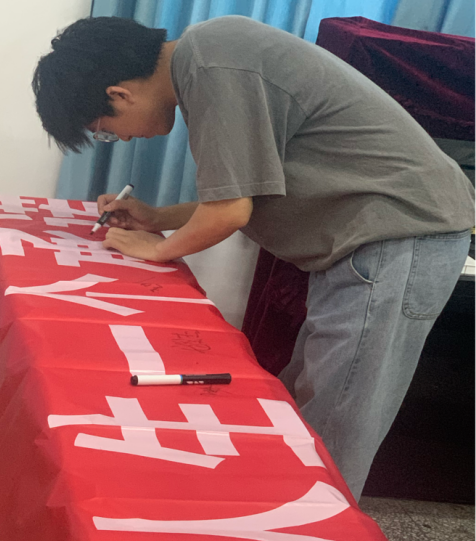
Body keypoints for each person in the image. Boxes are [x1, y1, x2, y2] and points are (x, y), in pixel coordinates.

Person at [32, 15, 476, 500]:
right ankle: (288, 515)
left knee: (337, 421)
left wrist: (157, 249)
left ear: (119, 95)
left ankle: (310, 534)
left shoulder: (213, 64)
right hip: (371, 238)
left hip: (397, 235)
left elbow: (230, 211)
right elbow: (245, 195)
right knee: (310, 396)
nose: (122, 139)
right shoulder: (208, 56)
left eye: (106, 131)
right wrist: (158, 218)